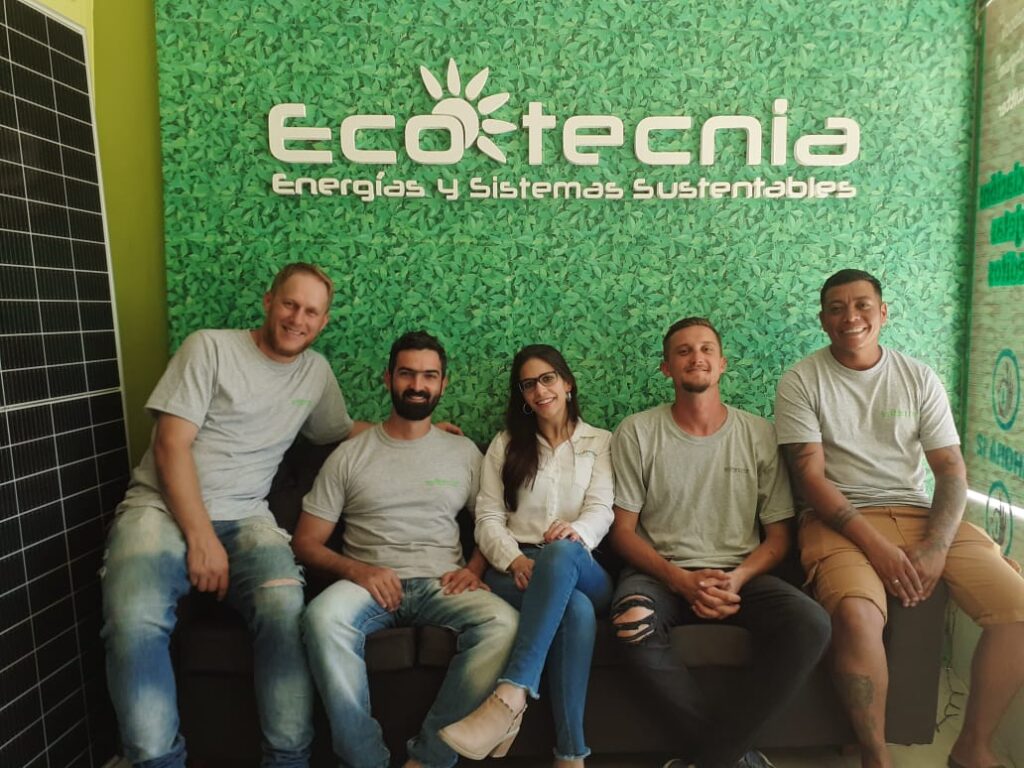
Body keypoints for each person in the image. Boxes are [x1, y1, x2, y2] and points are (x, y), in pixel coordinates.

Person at [101, 263, 365, 767]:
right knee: (133, 616)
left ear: (323, 322)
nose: (298, 319)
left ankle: (287, 761)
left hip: (248, 518)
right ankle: (156, 761)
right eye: (290, 304)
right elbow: (170, 446)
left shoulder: (315, 373)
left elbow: (338, 429)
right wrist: (202, 538)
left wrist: (418, 429)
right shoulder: (209, 347)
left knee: (286, 608)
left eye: (311, 312)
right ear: (269, 301)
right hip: (160, 508)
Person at [775, 268, 1024, 768]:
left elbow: (950, 470)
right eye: (837, 308)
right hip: (838, 521)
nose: (851, 317)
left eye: (862, 305)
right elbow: (812, 480)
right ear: (823, 320)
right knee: (856, 615)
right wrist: (879, 549)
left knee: (1017, 609)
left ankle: (972, 746)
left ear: (883, 312)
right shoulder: (801, 381)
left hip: (917, 512)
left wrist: (935, 547)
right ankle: (876, 755)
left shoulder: (918, 377)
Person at [608, 317, 831, 768]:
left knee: (812, 623)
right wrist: (679, 580)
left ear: (723, 363)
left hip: (739, 575)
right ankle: (732, 756)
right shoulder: (637, 431)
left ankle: (709, 757)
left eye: (706, 349)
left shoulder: (758, 433)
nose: (697, 357)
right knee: (631, 621)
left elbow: (779, 536)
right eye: (684, 351)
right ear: (666, 367)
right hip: (660, 572)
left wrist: (738, 578)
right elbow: (622, 532)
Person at [293, 330, 519, 768]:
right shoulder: (349, 455)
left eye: (429, 376)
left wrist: (474, 567)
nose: (418, 385)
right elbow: (305, 542)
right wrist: (358, 571)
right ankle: (365, 761)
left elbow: (493, 523)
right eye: (407, 374)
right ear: (388, 378)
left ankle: (429, 759)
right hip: (368, 584)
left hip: (443, 583)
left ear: (443, 384)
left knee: (504, 623)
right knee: (320, 618)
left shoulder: (464, 452)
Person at [439, 345, 614, 767]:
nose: (540, 391)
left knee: (561, 553)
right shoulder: (505, 445)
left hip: (581, 563)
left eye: (548, 379)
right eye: (529, 384)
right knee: (574, 611)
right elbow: (488, 517)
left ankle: (510, 695)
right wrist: (514, 560)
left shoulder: (601, 441)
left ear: (567, 383)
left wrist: (577, 532)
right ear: (522, 395)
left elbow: (602, 508)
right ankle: (571, 755)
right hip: (514, 570)